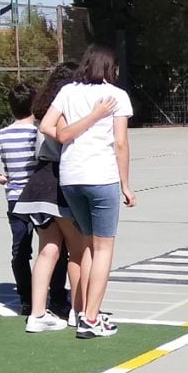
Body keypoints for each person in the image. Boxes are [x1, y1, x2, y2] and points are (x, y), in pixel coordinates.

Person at [39, 44, 135, 339]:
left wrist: (69, 132)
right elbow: (120, 143)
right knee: (104, 248)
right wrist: (126, 184)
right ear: (110, 67)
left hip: (71, 177)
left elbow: (45, 125)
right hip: (101, 177)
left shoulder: (68, 91)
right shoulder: (117, 96)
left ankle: (84, 312)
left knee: (88, 246)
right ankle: (91, 318)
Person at [14, 62, 85, 333]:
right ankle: (78, 311)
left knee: (48, 250)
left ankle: (37, 313)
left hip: (38, 182)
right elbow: (68, 141)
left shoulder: (41, 109)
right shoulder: (66, 109)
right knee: (77, 251)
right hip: (59, 180)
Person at [0, 82, 48, 315]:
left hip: (15, 198)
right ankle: (49, 293)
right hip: (40, 197)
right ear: (34, 106)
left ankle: (26, 298)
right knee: (50, 248)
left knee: (20, 250)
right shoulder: (38, 133)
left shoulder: (2, 135)